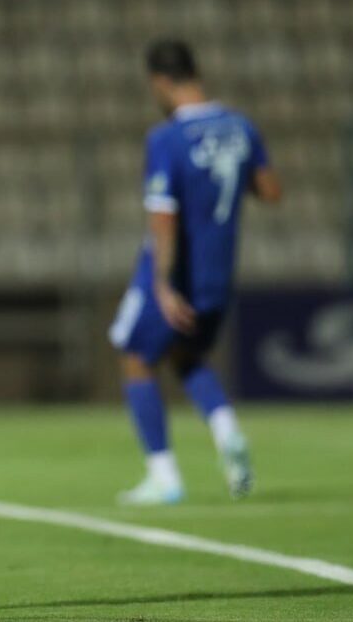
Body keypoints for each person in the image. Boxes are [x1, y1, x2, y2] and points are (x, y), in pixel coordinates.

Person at [109, 39, 283, 506]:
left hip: (178, 273)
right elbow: (270, 190)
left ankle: (163, 475)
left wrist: (163, 285)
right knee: (184, 355)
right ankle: (227, 431)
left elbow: (163, 216)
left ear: (160, 82)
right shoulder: (240, 126)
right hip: (218, 273)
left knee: (135, 357)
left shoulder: (167, 139)